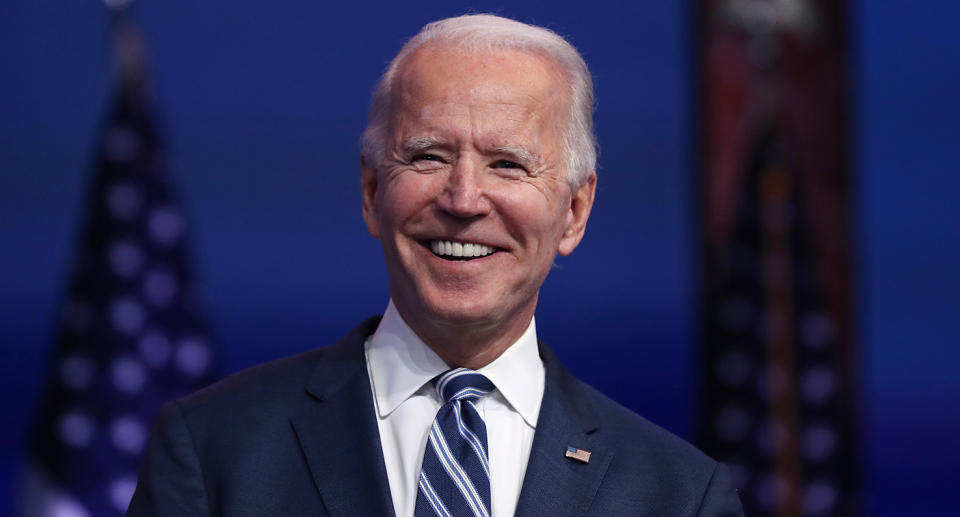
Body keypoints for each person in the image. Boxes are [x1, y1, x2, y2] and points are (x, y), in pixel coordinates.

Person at [128, 14, 744, 517]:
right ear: (372, 191)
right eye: (427, 156)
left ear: (575, 211)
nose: (463, 200)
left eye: (508, 163)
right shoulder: (213, 450)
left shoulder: (678, 496)